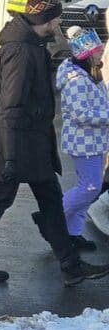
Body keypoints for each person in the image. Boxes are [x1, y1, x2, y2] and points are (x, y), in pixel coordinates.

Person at [0, 0, 109, 286]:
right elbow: (11, 107)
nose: (59, 23)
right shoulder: (22, 52)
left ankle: (70, 264)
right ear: (45, 20)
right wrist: (11, 157)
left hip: (31, 143)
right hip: (16, 145)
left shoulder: (32, 46)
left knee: (51, 201)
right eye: (56, 18)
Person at [58, 26, 109, 252]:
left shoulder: (91, 75)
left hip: (95, 142)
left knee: (86, 188)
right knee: (90, 188)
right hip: (83, 142)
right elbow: (82, 114)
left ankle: (73, 233)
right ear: (88, 54)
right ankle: (53, 216)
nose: (102, 54)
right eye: (98, 51)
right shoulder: (77, 80)